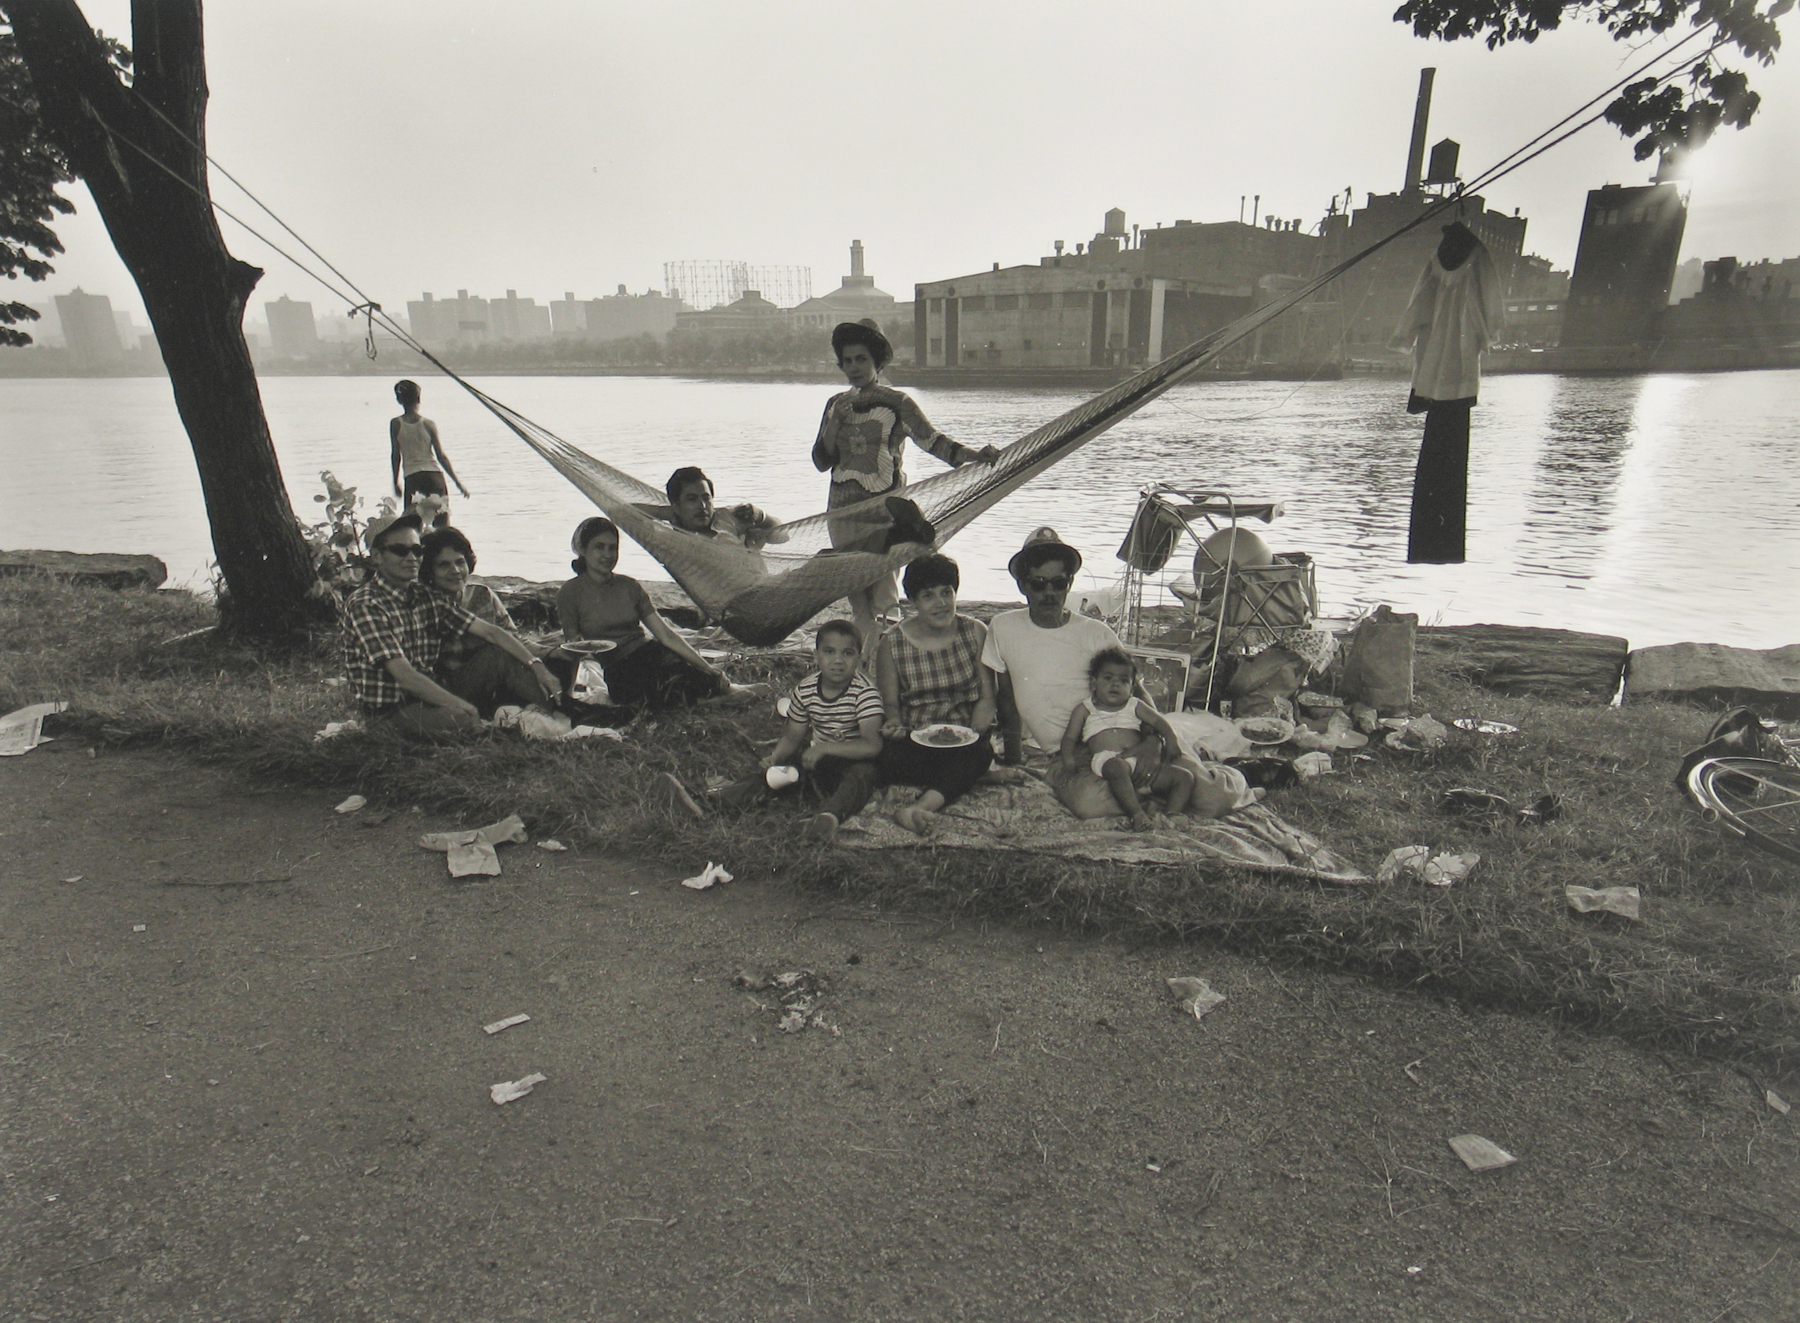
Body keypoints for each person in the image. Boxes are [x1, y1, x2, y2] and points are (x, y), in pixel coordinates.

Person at [812, 319, 999, 659]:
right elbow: (822, 461)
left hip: (886, 514)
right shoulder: (834, 404)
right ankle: (868, 667)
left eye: (862, 360)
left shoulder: (898, 403)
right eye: (848, 361)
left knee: (884, 594)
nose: (854, 368)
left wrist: (972, 456)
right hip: (841, 513)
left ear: (878, 362)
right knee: (857, 598)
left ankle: (892, 661)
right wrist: (835, 422)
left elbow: (932, 441)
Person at [342, 513, 558, 735]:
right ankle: (498, 728)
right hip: (392, 710)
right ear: (377, 556)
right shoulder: (366, 604)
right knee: (461, 718)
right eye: (400, 550)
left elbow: (491, 632)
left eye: (417, 550)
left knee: (500, 654)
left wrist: (537, 666)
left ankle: (558, 717)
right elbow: (404, 676)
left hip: (434, 695)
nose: (411, 557)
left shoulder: (423, 596)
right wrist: (462, 706)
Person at [980, 527, 1132, 818]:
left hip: (1120, 739)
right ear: (1022, 586)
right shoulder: (1003, 628)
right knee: (1091, 804)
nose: (1049, 593)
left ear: (1070, 584)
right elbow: (1007, 700)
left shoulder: (1096, 634)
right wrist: (1013, 759)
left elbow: (1136, 694)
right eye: (1038, 584)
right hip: (1065, 755)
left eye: (1058, 583)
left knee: (1210, 794)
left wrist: (1152, 743)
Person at [552, 516, 733, 710]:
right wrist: (568, 695)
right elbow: (574, 648)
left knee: (700, 679)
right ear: (583, 550)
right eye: (599, 547)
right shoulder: (570, 593)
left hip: (649, 653)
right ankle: (712, 703)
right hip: (618, 667)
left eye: (612, 548)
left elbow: (665, 635)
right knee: (651, 694)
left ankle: (712, 698)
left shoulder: (629, 586)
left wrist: (707, 667)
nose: (607, 554)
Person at [872, 554, 996, 834]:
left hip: (963, 739)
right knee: (885, 755)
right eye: (928, 596)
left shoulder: (975, 631)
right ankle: (961, 779)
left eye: (946, 593)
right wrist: (894, 724)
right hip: (914, 740)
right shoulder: (892, 643)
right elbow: (890, 703)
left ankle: (919, 807)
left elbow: (988, 697)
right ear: (914, 602)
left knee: (980, 752)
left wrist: (974, 731)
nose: (940, 603)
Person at [1062, 647, 1196, 829]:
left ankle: (1171, 816)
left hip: (1140, 762)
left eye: (1123, 680)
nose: (1115, 684)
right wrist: (1068, 758)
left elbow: (1159, 722)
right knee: (1116, 768)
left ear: (1132, 688)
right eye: (1108, 678)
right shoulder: (1085, 709)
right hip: (1109, 760)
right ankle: (1137, 814)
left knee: (1185, 777)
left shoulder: (1134, 705)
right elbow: (1070, 737)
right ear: (1093, 684)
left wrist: (1171, 741)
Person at [420, 525, 516, 683]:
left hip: (495, 676)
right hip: (448, 685)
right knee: (497, 653)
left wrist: (548, 652)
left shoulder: (482, 595)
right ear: (429, 571)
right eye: (444, 565)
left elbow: (513, 637)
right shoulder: (426, 605)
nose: (455, 570)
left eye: (460, 562)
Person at [635, 466, 786, 549]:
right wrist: (666, 513)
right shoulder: (672, 539)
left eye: (706, 498)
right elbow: (621, 510)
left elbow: (783, 536)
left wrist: (761, 517)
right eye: (692, 499)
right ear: (676, 506)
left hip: (762, 589)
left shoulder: (730, 517)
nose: (702, 506)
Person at [389, 380, 467, 527]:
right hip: (434, 477)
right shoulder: (428, 424)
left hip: (413, 478)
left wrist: (395, 481)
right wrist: (458, 482)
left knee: (413, 526)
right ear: (418, 398)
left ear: (399, 400)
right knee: (442, 524)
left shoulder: (396, 423)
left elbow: (395, 455)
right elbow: (441, 456)